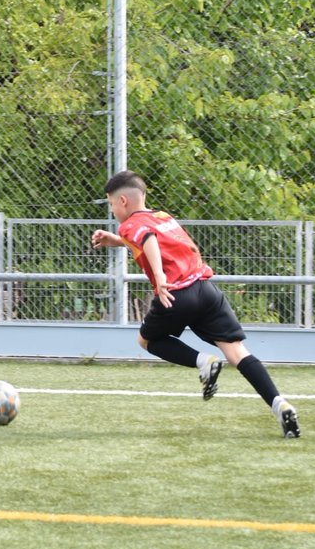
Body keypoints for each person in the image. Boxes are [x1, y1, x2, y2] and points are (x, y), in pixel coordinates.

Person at [90, 170, 300, 438]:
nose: (112, 210)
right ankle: (279, 404)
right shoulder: (163, 217)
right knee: (237, 352)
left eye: (111, 204)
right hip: (206, 289)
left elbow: (147, 238)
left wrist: (160, 276)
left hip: (176, 293)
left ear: (123, 201)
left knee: (146, 340)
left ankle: (204, 361)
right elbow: (155, 238)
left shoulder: (130, 223)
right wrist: (118, 242)